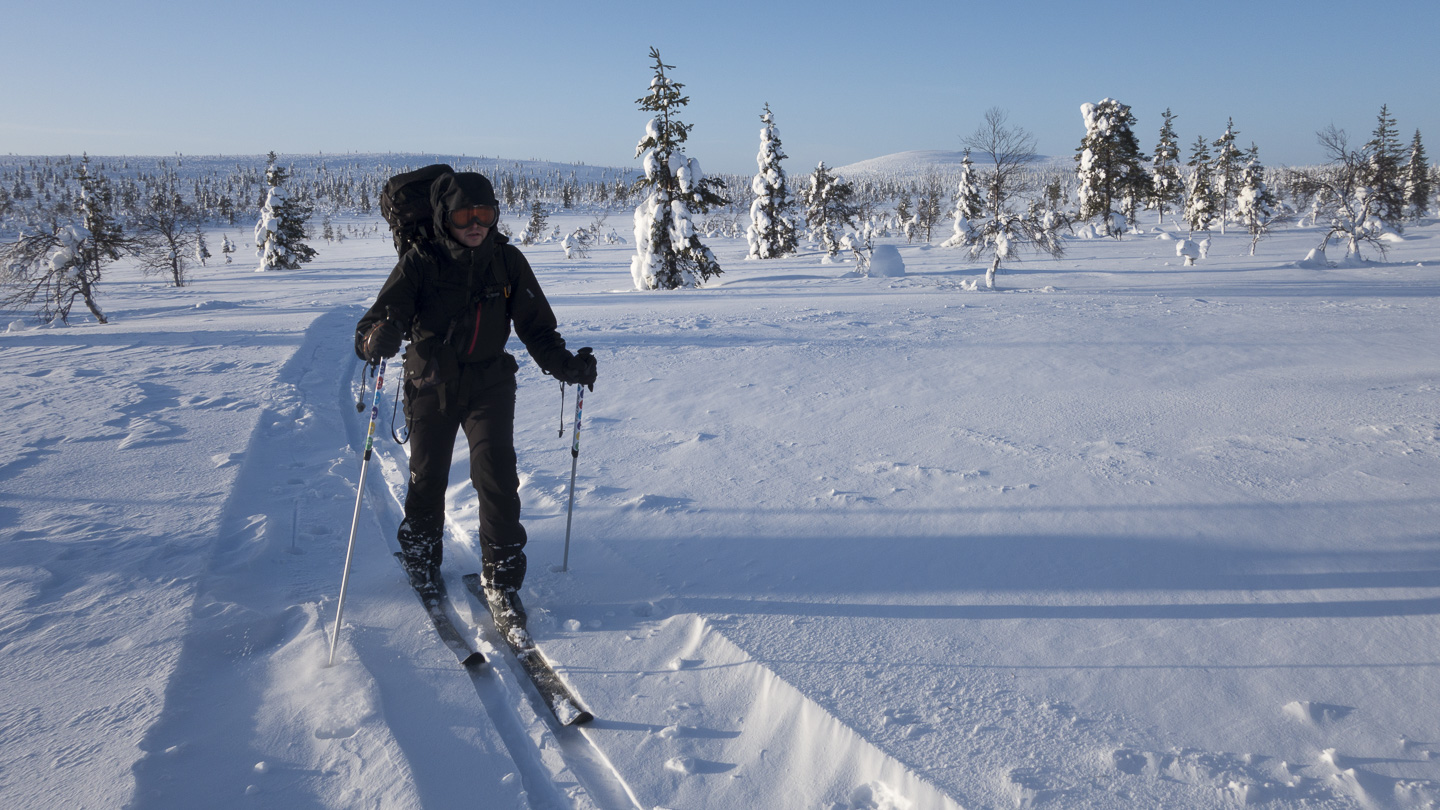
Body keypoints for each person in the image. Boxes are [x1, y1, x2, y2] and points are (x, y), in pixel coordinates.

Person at [354, 171, 596, 638]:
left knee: (497, 477)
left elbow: (537, 329)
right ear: (446, 217)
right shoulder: (421, 262)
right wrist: (376, 339)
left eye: (485, 214)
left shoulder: (506, 262)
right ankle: (423, 557)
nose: (476, 223)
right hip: (431, 382)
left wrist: (567, 365)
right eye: (465, 214)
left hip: (489, 384)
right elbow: (370, 329)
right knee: (428, 477)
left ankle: (502, 582)